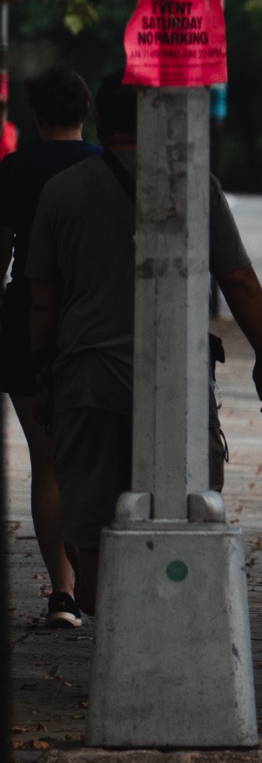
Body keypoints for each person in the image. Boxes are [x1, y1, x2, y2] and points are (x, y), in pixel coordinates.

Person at [27, 74, 262, 615]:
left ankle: (111, 646)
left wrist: (39, 366)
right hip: (177, 382)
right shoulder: (192, 185)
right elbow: (238, 279)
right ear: (154, 118)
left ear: (100, 122)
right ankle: (171, 625)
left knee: (93, 532)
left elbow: (43, 301)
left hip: (88, 379)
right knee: (182, 518)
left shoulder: (61, 193)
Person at [0, 66, 100, 626]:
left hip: (22, 324)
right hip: (89, 322)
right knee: (94, 458)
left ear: (36, 117)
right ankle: (90, 579)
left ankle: (62, 591)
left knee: (48, 463)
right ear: (85, 112)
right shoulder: (103, 168)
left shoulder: (14, 170)